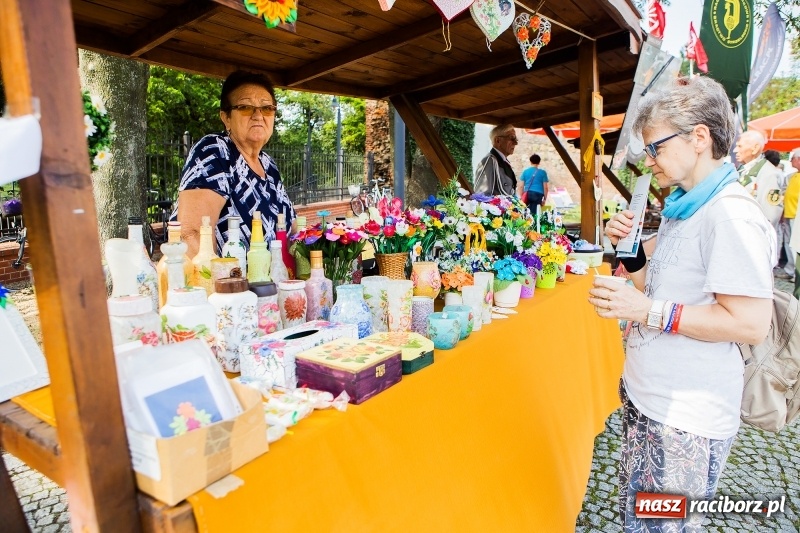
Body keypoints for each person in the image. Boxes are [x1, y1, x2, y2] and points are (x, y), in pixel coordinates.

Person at [590, 76, 774, 532]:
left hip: (685, 419)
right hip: (652, 401)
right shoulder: (687, 205)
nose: (648, 160)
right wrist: (631, 249)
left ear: (699, 137)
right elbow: (656, 284)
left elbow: (750, 324)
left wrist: (642, 311)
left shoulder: (729, 214)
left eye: (655, 146)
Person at [173, 70, 296, 257]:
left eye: (267, 108)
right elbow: (192, 234)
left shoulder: (269, 166)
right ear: (226, 118)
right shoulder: (215, 151)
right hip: (228, 283)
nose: (258, 115)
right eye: (245, 107)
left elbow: (293, 231)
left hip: (273, 282)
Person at [734, 130, 783, 237]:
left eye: (740, 146)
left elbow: (770, 214)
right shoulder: (744, 169)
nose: (735, 150)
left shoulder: (768, 174)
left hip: (753, 237)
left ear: (755, 148)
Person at [474, 124, 518, 196]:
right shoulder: (489, 161)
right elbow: (482, 195)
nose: (515, 143)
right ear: (498, 141)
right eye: (512, 138)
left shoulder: (501, 162)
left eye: (515, 139)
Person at [786, 148, 800, 294]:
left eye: (793, 158)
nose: (791, 161)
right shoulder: (793, 176)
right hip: (791, 214)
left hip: (797, 216)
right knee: (790, 245)